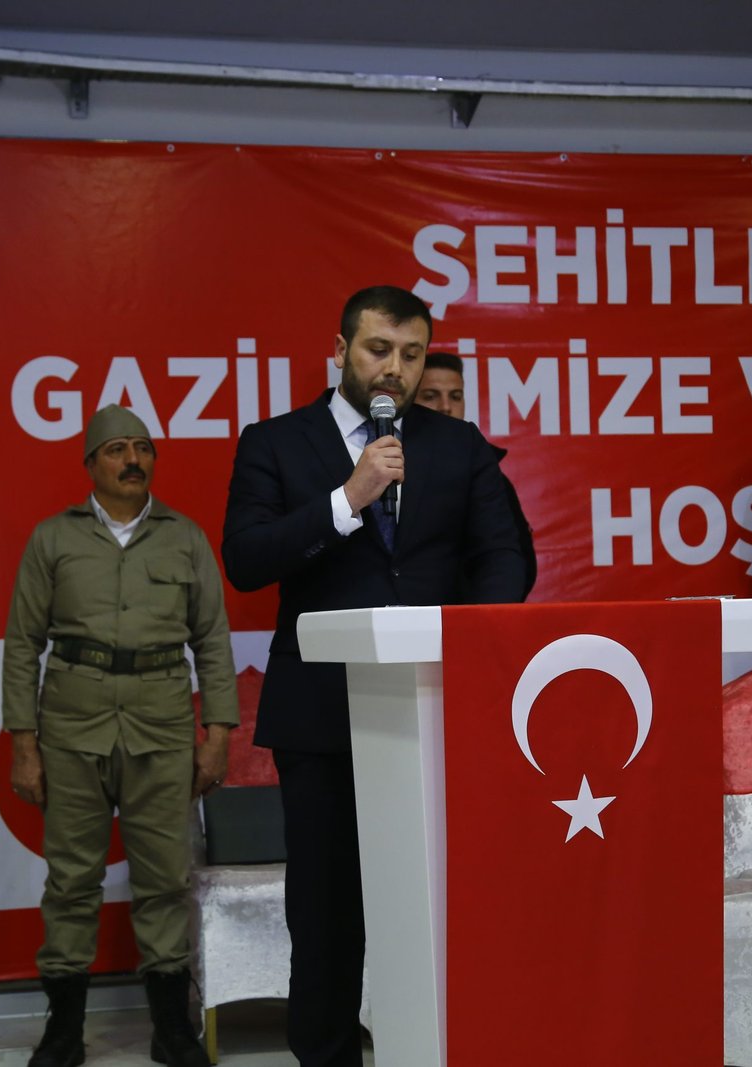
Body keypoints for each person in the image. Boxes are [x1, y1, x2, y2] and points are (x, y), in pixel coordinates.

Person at [222, 286, 526, 1066]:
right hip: (321, 714)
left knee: (439, 902)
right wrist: (347, 498)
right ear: (341, 350)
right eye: (378, 349)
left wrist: (468, 641)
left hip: (435, 710)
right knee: (326, 913)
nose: (395, 369)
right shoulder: (276, 441)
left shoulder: (456, 445)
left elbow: (506, 554)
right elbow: (247, 558)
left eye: (412, 354)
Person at [4, 404, 238, 1067]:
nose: (132, 460)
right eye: (117, 449)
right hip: (71, 729)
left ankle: (171, 1030)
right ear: (91, 463)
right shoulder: (53, 539)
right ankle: (63, 1032)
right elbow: (22, 644)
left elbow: (212, 641)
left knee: (165, 879)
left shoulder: (185, 538)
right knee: (71, 881)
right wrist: (24, 742)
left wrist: (218, 732)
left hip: (161, 726)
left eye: (142, 447)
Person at [414, 350, 538, 596]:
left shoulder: (490, 478)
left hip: (472, 615)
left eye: (455, 396)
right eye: (430, 396)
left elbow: (517, 563)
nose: (446, 407)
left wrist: (484, 613)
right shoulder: (388, 469)